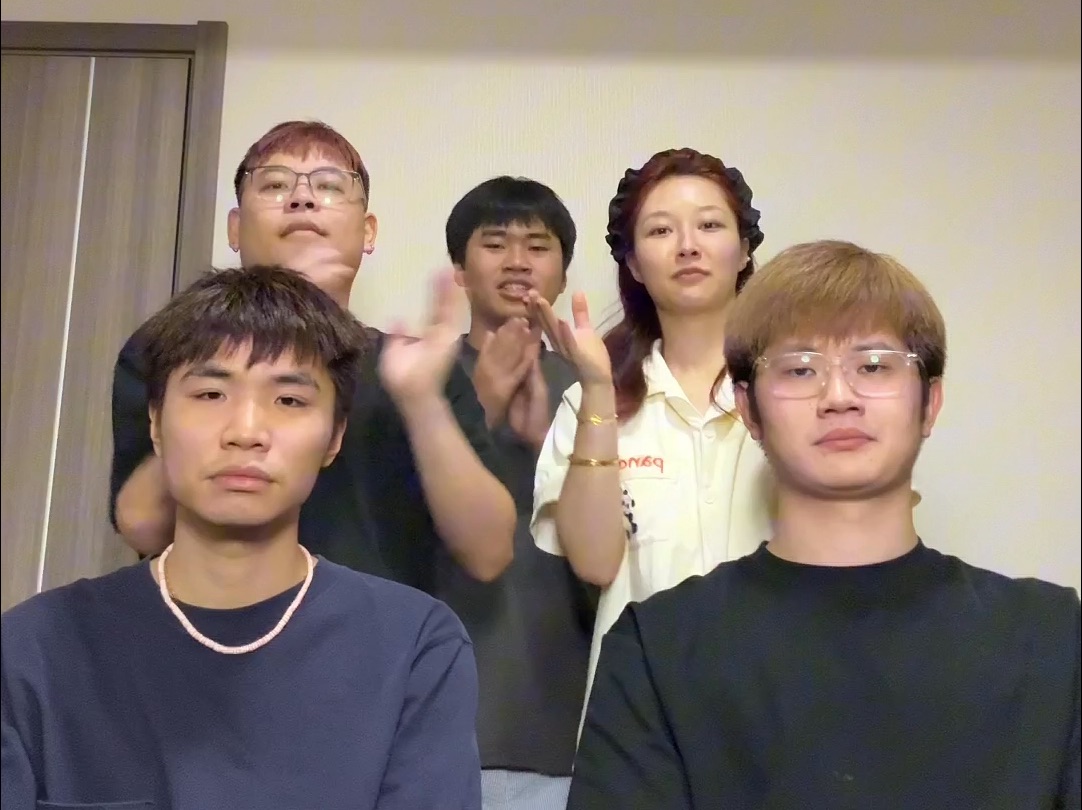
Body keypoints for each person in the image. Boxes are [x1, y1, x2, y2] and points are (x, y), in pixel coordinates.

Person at [567, 240, 1081, 809]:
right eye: (799, 369)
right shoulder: (658, 649)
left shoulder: (1053, 639)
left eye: (874, 365)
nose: (839, 396)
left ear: (930, 402)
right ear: (749, 409)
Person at [1, 266, 482, 809]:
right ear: (155, 424)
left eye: (289, 400)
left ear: (334, 437)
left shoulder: (412, 646)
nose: (246, 432)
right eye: (210, 394)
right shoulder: (33, 650)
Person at [111, 120, 516, 590]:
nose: (301, 199)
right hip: (205, 623)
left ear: (367, 232)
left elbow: (489, 554)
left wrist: (422, 401)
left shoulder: (420, 368)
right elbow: (143, 524)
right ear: (235, 228)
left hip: (375, 629)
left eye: (329, 186)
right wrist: (281, 315)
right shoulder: (171, 346)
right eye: (275, 185)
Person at [529, 148, 774, 707]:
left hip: (777, 699)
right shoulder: (590, 402)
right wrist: (596, 390)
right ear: (635, 264)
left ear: (744, 250)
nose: (687, 245)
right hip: (642, 711)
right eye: (661, 230)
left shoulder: (793, 390)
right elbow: (594, 563)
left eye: (709, 225)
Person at [439, 176, 597, 808]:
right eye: (494, 243)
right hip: (436, 714)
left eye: (538, 245)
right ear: (459, 269)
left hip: (562, 719)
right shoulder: (416, 377)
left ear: (563, 272)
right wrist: (474, 408)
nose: (517, 261)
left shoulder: (598, 387)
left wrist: (551, 450)